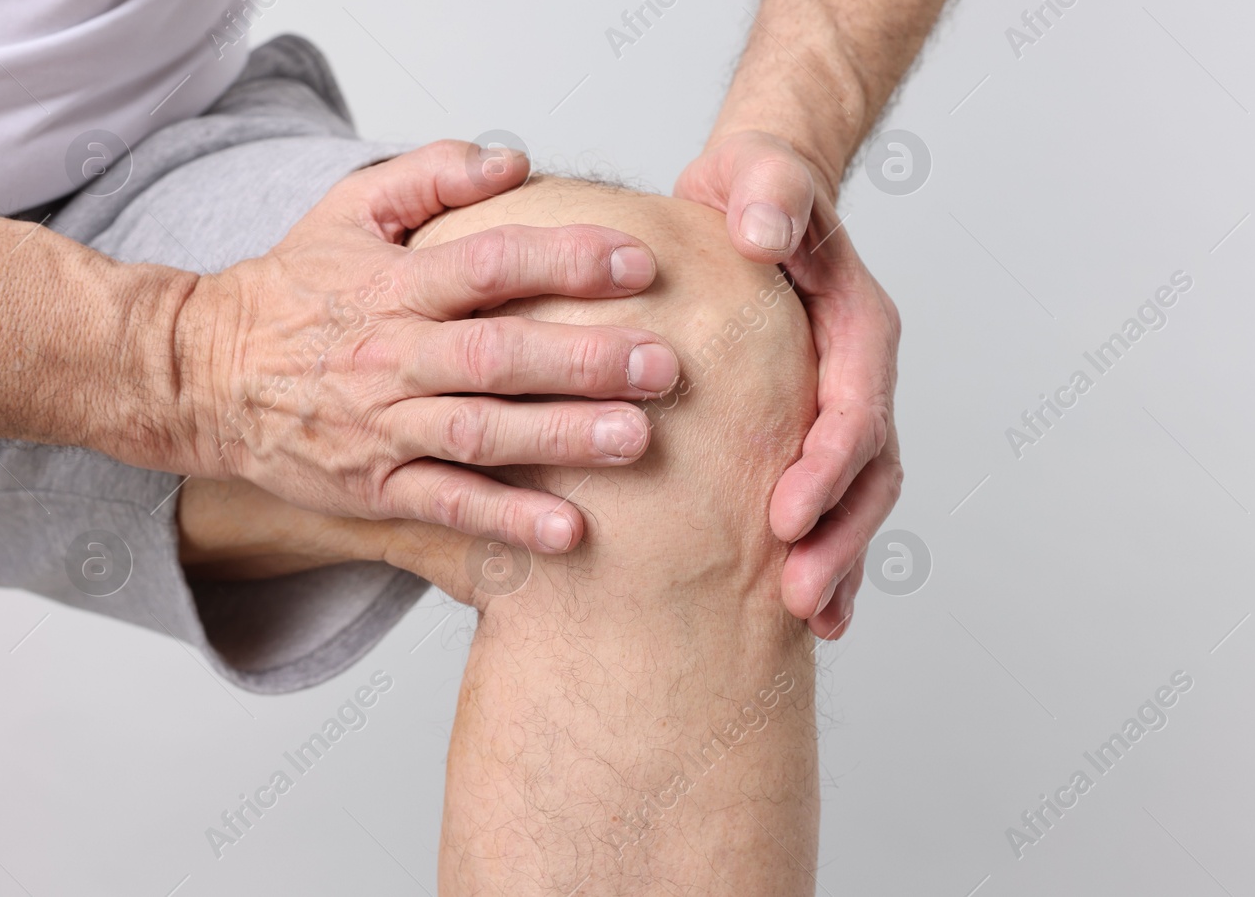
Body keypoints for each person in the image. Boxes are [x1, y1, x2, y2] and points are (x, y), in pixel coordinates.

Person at [0, 0, 1010, 687]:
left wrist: (788, 137)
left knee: (674, 388)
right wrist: (191, 359)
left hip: (128, 172)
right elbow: (189, 357)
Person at [179, 175, 823, 893]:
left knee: (703, 328)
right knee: (628, 409)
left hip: (211, 137)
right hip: (36, 237)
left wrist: (777, 188)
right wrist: (200, 354)